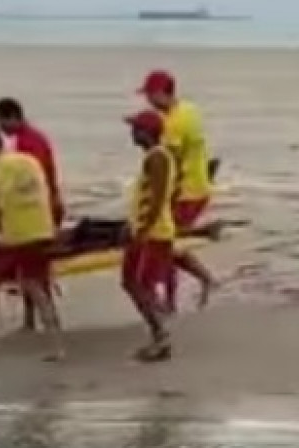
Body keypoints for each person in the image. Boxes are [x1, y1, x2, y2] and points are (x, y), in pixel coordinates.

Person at [0, 126, 65, 362]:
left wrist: (3, 235)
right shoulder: (29, 161)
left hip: (17, 236)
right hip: (43, 230)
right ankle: (56, 344)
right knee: (36, 286)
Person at [137, 70, 217, 312]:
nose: (148, 101)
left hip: (186, 193)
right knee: (171, 244)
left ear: (162, 93)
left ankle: (172, 300)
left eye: (150, 95)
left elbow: (169, 166)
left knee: (165, 245)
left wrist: (158, 202)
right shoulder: (189, 110)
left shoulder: (173, 124)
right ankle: (202, 281)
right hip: (200, 186)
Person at [0, 97, 65, 331]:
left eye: (1, 122)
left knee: (35, 269)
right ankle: (32, 317)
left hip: (40, 212)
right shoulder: (30, 139)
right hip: (43, 208)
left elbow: (31, 183)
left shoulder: (29, 143)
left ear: (13, 117)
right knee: (31, 267)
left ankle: (44, 319)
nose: (0, 129)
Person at [121, 110, 177, 362]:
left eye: (135, 129)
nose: (132, 133)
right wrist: (132, 224)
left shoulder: (157, 158)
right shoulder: (154, 156)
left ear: (145, 132)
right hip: (147, 230)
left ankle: (161, 335)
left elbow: (157, 198)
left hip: (154, 233)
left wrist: (143, 230)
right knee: (132, 282)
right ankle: (159, 331)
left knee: (139, 284)